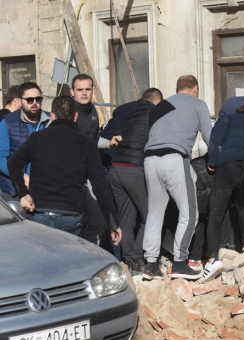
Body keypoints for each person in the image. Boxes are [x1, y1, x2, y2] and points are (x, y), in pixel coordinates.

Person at [7, 95, 122, 243]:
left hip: (38, 211)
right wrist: (113, 223)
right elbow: (100, 186)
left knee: (38, 260)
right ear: (75, 116)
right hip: (70, 215)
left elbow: (13, 162)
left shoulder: (38, 138)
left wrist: (22, 193)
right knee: (66, 260)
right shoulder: (87, 144)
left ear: (52, 116)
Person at [142, 75, 211, 280]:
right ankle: (180, 263)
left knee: (154, 213)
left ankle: (151, 265)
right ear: (195, 89)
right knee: (189, 214)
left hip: (150, 159)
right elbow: (209, 139)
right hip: (174, 157)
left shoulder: (161, 105)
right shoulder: (198, 104)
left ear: (176, 88)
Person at [200, 104, 244, 283]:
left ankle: (212, 260)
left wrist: (212, 160)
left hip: (229, 165)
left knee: (216, 212)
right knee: (243, 206)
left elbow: (216, 137)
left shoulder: (228, 118)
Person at [109, 88, 163, 276]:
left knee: (126, 218)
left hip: (115, 168)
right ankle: (139, 257)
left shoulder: (128, 115)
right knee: (149, 216)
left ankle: (130, 261)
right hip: (135, 168)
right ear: (157, 101)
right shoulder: (156, 112)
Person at [70, 73, 109, 245]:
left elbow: (93, 140)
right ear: (72, 92)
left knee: (99, 221)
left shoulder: (93, 110)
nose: (84, 93)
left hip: (90, 174)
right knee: (74, 222)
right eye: (80, 90)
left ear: (93, 90)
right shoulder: (68, 112)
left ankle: (85, 253)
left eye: (87, 89)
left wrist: (109, 142)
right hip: (71, 176)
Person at [0, 83, 51, 201]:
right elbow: (1, 157)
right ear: (20, 101)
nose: (34, 103)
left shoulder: (51, 120)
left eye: (38, 99)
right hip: (14, 190)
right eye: (29, 100)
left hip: (46, 189)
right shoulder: (7, 122)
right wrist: (21, 177)